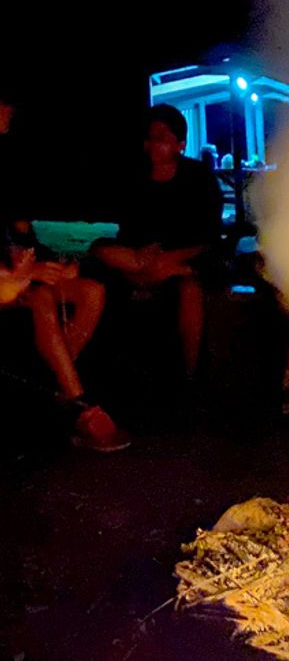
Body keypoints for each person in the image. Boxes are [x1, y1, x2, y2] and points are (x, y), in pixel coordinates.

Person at [0, 86, 128, 450]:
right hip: (8, 283)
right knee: (41, 298)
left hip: (16, 275)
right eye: (5, 107)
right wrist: (26, 274)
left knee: (91, 290)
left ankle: (56, 383)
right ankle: (76, 402)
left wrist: (51, 263)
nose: (9, 113)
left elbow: (21, 235)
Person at [92, 104, 224, 380]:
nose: (152, 144)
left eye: (161, 138)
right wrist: (140, 255)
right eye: (150, 138)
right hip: (139, 258)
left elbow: (208, 234)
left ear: (180, 144)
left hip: (182, 257)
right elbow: (127, 227)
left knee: (188, 287)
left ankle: (190, 374)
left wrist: (168, 257)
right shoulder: (136, 178)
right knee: (101, 251)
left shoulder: (198, 177)